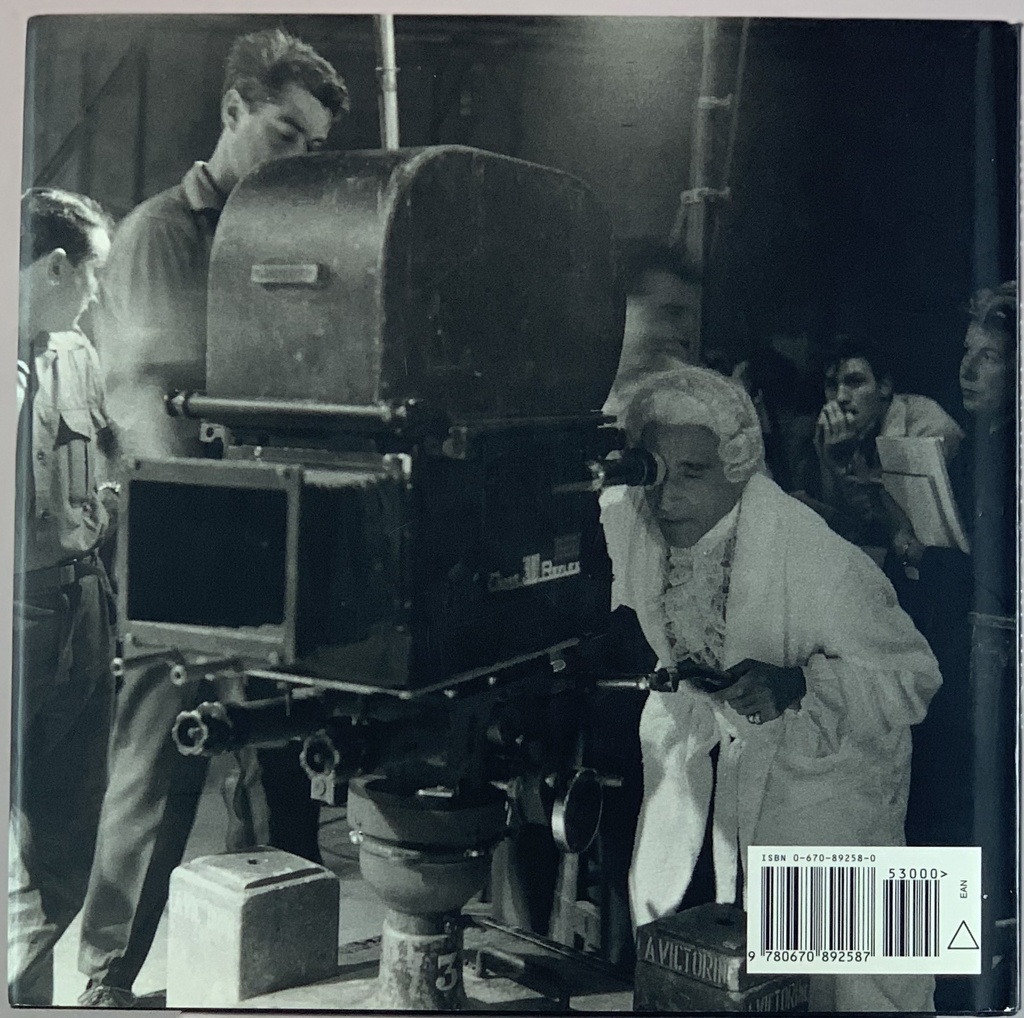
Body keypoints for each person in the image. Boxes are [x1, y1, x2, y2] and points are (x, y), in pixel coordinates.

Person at [76, 29, 349, 1008]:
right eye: (283, 134)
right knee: (156, 782)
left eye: (311, 147)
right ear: (232, 114)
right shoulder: (162, 234)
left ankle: (285, 962)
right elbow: (152, 418)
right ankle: (105, 983)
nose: (296, 161)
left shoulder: (281, 244)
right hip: (183, 552)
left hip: (266, 544)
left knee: (288, 767)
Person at [600, 364, 941, 1012]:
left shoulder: (816, 556)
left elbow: (915, 678)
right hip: (707, 773)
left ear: (739, 468)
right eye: (654, 472)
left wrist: (799, 684)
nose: (667, 497)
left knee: (849, 990)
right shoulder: (643, 527)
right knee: (704, 974)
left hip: (827, 795)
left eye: (693, 473)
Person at [9, 188, 118, 1005]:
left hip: (84, 608)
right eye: (93, 274)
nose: (96, 293)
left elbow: (110, 450)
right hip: (13, 620)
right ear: (56, 265)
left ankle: (27, 997)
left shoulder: (75, 352)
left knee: (69, 833)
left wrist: (105, 505)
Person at [900, 281, 1017, 1011]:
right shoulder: (978, 452)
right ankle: (931, 984)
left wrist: (930, 555)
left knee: (964, 834)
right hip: (958, 670)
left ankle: (951, 992)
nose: (969, 370)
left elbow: (995, 578)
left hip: (991, 683)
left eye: (992, 358)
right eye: (967, 354)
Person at [811, 336, 963, 561]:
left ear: (884, 386)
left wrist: (847, 471)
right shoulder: (833, 433)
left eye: (855, 382)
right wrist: (835, 466)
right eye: (832, 386)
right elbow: (844, 530)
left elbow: (913, 535)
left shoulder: (928, 430)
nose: (841, 397)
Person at [603, 242, 702, 419]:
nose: (686, 332)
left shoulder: (696, 409)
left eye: (692, 317)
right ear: (619, 308)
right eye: (672, 312)